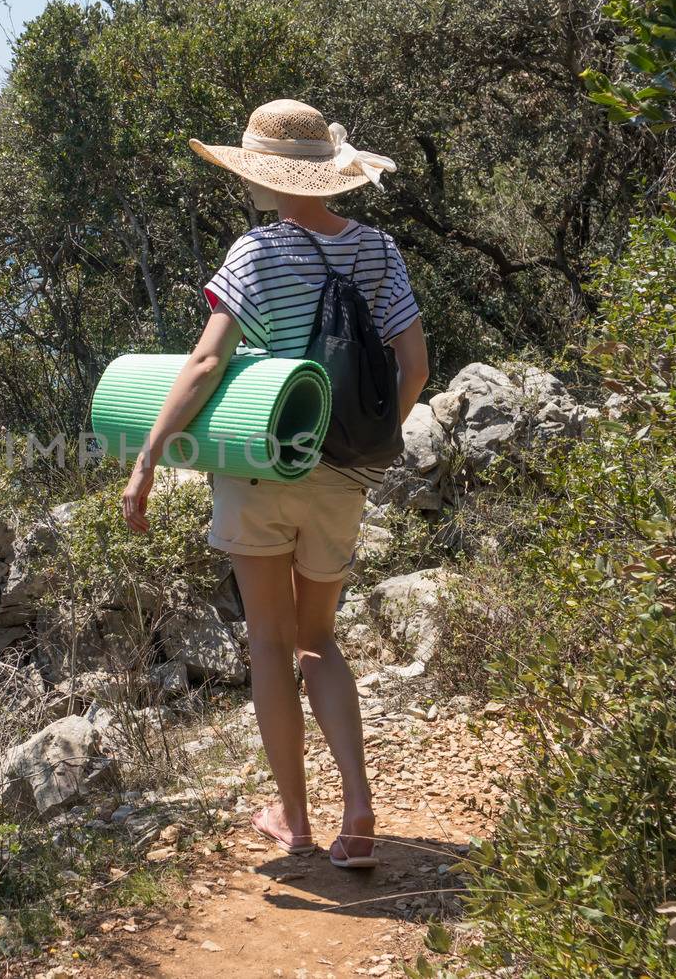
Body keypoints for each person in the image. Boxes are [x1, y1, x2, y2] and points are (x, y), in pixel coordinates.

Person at [120, 99, 428, 868]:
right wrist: (364, 441)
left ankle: (293, 820)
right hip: (343, 475)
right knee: (319, 640)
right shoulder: (380, 251)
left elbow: (204, 364)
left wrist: (149, 453)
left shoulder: (257, 253)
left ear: (262, 174)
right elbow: (415, 368)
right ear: (327, 171)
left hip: (261, 469)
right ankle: (357, 810)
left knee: (269, 643)